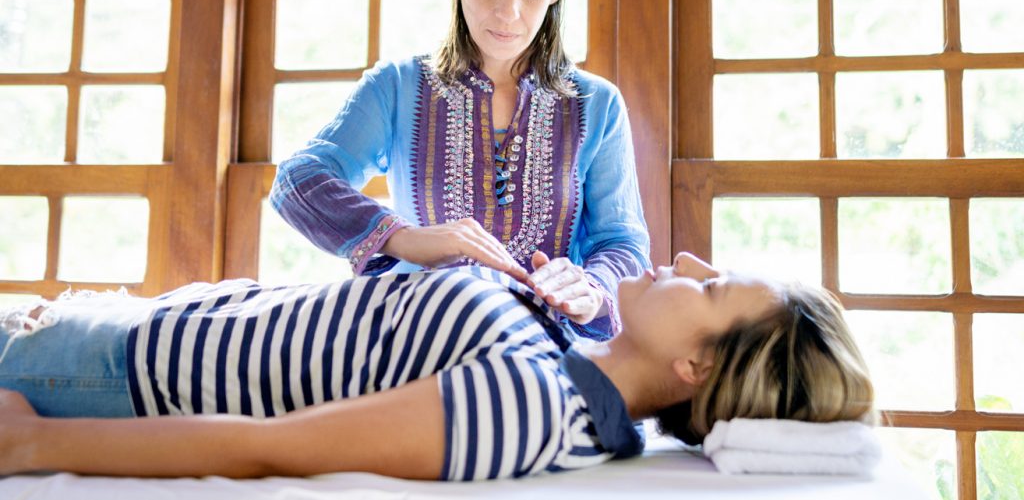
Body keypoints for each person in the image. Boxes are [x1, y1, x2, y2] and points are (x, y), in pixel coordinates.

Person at [0, 253, 874, 481]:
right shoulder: (565, 359)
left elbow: (275, 447)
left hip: (105, 373)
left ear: (695, 364)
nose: (684, 258)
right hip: (129, 322)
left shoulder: (534, 409)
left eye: (710, 282)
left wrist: (35, 444)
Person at [270, 0, 650, 340]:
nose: (508, 12)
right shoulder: (396, 87)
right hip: (416, 347)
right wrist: (403, 238)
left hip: (545, 358)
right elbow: (297, 182)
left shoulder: (599, 106)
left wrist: (590, 289)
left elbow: (623, 244)